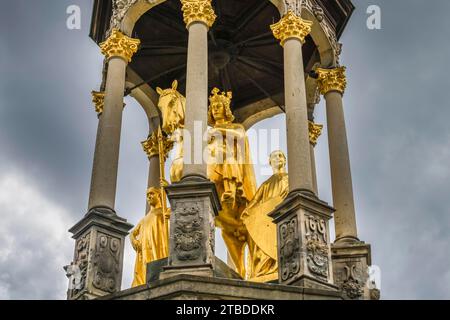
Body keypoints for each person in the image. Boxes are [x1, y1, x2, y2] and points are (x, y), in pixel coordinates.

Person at [207, 88, 257, 278]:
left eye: (219, 105)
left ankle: (230, 190)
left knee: (227, 157)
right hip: (212, 164)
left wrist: (219, 132)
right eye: (213, 106)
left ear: (226, 108)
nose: (216, 109)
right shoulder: (209, 133)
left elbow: (240, 138)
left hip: (230, 165)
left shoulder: (236, 128)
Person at [242, 150, 289, 282]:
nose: (278, 158)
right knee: (262, 242)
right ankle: (263, 271)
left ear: (285, 160)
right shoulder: (266, 184)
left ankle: (277, 267)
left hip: (281, 214)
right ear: (270, 162)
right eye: (275, 156)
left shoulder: (290, 179)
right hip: (265, 218)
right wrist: (248, 211)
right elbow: (255, 201)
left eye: (281, 156)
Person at [130, 187, 169, 287]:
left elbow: (176, 212)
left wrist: (166, 188)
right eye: (147, 195)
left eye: (151, 194)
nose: (149, 197)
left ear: (159, 195)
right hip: (145, 252)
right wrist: (133, 240)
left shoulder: (164, 211)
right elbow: (133, 232)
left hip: (159, 250)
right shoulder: (144, 219)